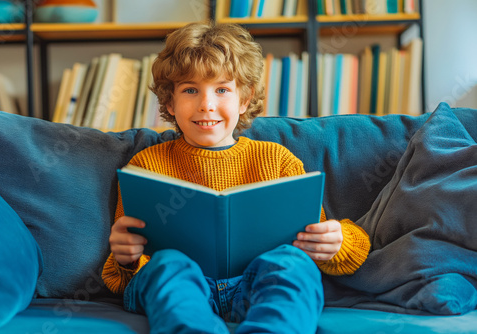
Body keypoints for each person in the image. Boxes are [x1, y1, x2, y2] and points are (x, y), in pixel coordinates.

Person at [102, 21, 370, 334]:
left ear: (244, 99)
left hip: (256, 283)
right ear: (170, 102)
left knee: (292, 264)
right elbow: (122, 274)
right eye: (191, 90)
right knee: (168, 264)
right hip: (183, 286)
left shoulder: (278, 160)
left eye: (222, 90)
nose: (207, 104)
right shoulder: (146, 165)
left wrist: (336, 241)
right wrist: (124, 258)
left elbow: (326, 240)